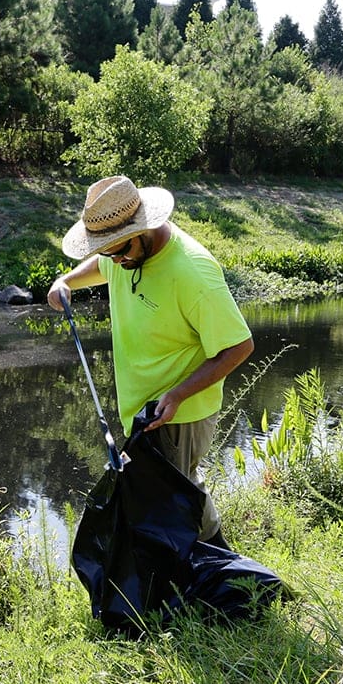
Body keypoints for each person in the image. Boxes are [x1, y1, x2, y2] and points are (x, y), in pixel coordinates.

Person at [47, 175, 254, 548]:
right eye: (106, 251)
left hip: (179, 410)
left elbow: (238, 346)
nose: (114, 260)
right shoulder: (122, 252)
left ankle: (219, 571)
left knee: (179, 490)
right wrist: (67, 281)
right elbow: (102, 266)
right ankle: (191, 568)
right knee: (164, 489)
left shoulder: (192, 271)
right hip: (142, 407)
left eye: (119, 251)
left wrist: (177, 395)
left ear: (144, 230)